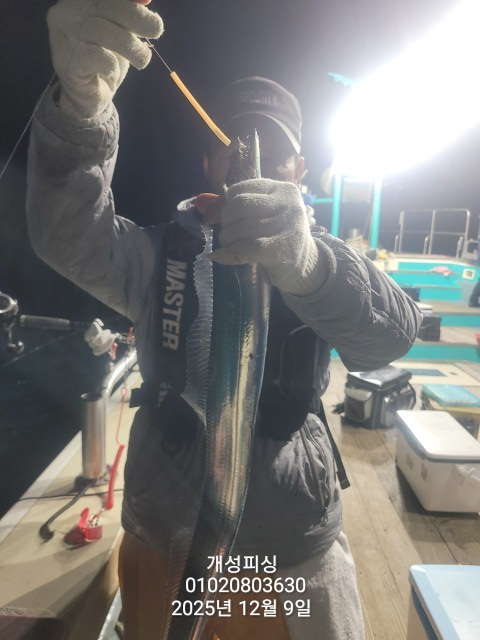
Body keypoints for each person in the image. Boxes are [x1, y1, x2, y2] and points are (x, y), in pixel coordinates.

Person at [26, 1, 422, 639]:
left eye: (277, 153)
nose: (253, 166)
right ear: (209, 166)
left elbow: (392, 335)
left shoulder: (324, 260)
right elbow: (64, 236)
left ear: (298, 172)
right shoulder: (159, 254)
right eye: (232, 148)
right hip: (164, 533)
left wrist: (309, 264)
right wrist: (80, 110)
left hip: (286, 554)